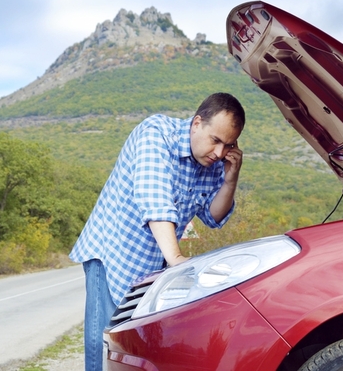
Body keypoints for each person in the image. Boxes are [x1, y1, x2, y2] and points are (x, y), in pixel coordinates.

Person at [69, 92, 245, 371]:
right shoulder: (156, 134)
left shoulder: (212, 163)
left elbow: (212, 217)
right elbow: (156, 200)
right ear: (196, 123)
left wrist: (230, 179)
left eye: (229, 145)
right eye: (216, 140)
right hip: (113, 255)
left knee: (133, 352)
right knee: (105, 352)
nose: (220, 153)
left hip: (152, 267)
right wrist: (176, 259)